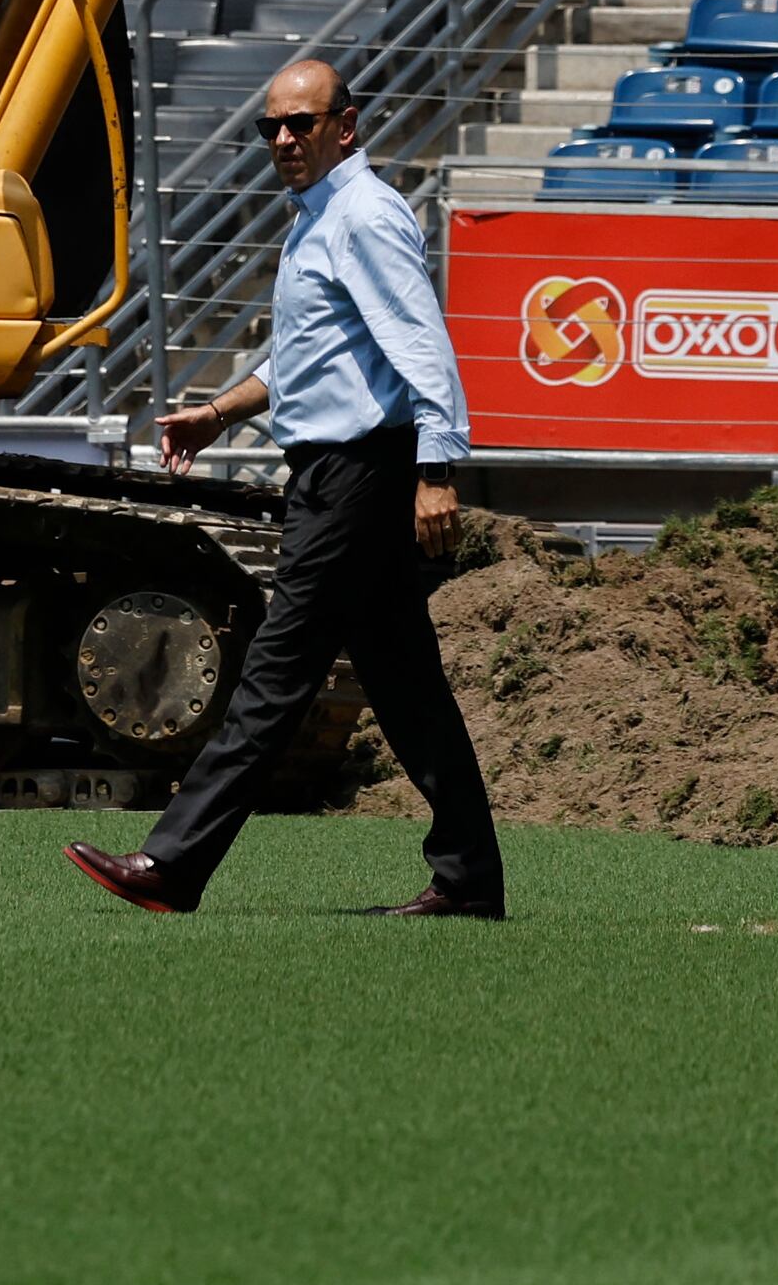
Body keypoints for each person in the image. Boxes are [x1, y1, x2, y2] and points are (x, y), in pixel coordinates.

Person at [66, 54, 506, 920]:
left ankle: (174, 860)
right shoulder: (318, 218)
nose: (282, 138)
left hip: (356, 479)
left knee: (273, 675)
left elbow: (423, 346)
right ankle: (468, 875)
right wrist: (221, 413)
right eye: (270, 125)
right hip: (345, 475)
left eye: (300, 123)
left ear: (346, 125)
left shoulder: (363, 215)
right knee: (410, 689)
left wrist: (437, 470)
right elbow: (309, 357)